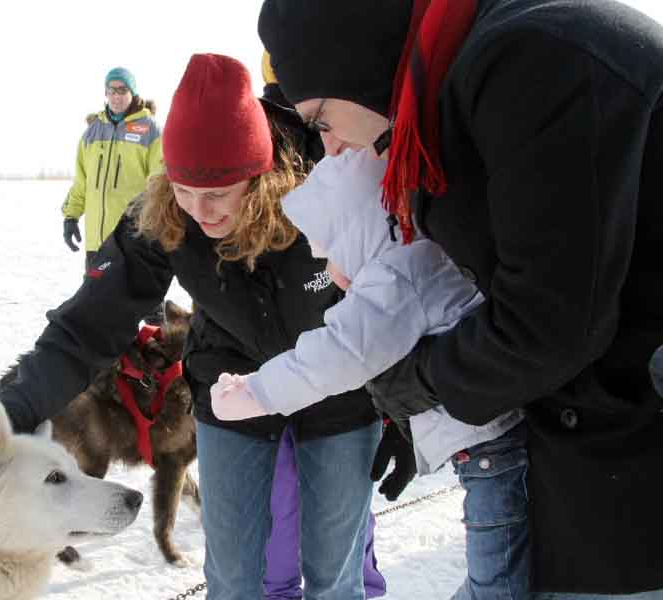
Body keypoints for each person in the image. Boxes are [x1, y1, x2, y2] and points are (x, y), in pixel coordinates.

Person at [0, 54, 414, 599]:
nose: (200, 211)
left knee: (335, 578)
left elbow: (394, 297)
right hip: (232, 391)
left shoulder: (327, 181)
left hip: (338, 390)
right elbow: (85, 329)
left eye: (216, 194)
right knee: (234, 580)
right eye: (186, 189)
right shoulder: (167, 212)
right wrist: (13, 408)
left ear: (260, 179)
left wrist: (402, 409)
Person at [259, 0, 663, 597]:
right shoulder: (452, 85)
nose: (332, 147)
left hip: (633, 461)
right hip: (593, 448)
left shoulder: (530, 60)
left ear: (351, 63)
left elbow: (550, 324)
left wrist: (421, 378)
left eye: (320, 120)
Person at [211, 147, 529, 599]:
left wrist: (257, 391)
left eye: (330, 253)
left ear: (358, 233)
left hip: (488, 449)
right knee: (506, 564)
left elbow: (338, 354)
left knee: (499, 577)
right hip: (492, 441)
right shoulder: (421, 256)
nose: (330, 271)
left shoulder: (395, 277)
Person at [258, 51, 387, 600]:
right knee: (281, 516)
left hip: (347, 365)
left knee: (347, 521)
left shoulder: (360, 128)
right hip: (272, 358)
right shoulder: (260, 137)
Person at [61, 66, 163, 272]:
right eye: (111, 90)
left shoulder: (150, 130)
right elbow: (82, 181)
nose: (116, 96)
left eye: (122, 90)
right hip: (96, 242)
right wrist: (71, 216)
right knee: (95, 300)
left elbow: (160, 185)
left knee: (140, 301)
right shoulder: (92, 131)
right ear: (106, 93)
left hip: (134, 240)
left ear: (132, 93)